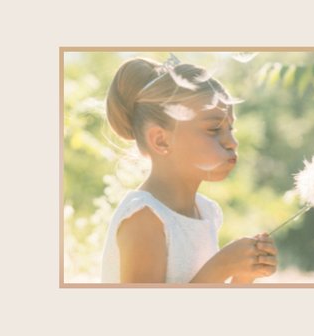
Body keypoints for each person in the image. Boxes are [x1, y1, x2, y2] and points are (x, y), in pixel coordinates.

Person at [101, 55, 278, 283]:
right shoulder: (145, 218)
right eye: (214, 129)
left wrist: (242, 276)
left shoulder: (206, 212)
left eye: (230, 128)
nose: (232, 142)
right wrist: (222, 265)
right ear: (161, 141)